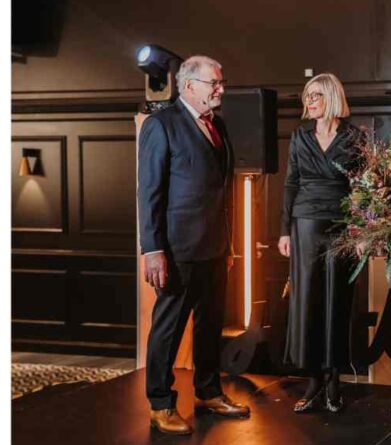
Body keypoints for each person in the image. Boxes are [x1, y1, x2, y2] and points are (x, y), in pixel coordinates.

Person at [138, 55, 250, 435]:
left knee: (210, 326)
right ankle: (160, 403)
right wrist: (153, 250)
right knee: (168, 330)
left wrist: (229, 243)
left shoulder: (218, 124)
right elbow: (149, 193)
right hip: (177, 250)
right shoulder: (161, 125)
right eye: (213, 83)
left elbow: (220, 192)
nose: (221, 89)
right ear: (188, 86)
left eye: (221, 82)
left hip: (215, 247)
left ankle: (208, 391)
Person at [278, 73, 362, 414]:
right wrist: (284, 231)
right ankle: (313, 381)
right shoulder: (300, 135)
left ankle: (334, 381)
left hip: (342, 225)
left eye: (315, 96)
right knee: (307, 301)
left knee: (338, 300)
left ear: (331, 97)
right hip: (305, 224)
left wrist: (361, 231)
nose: (308, 102)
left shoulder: (354, 137)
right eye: (306, 97)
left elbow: (363, 188)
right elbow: (290, 183)